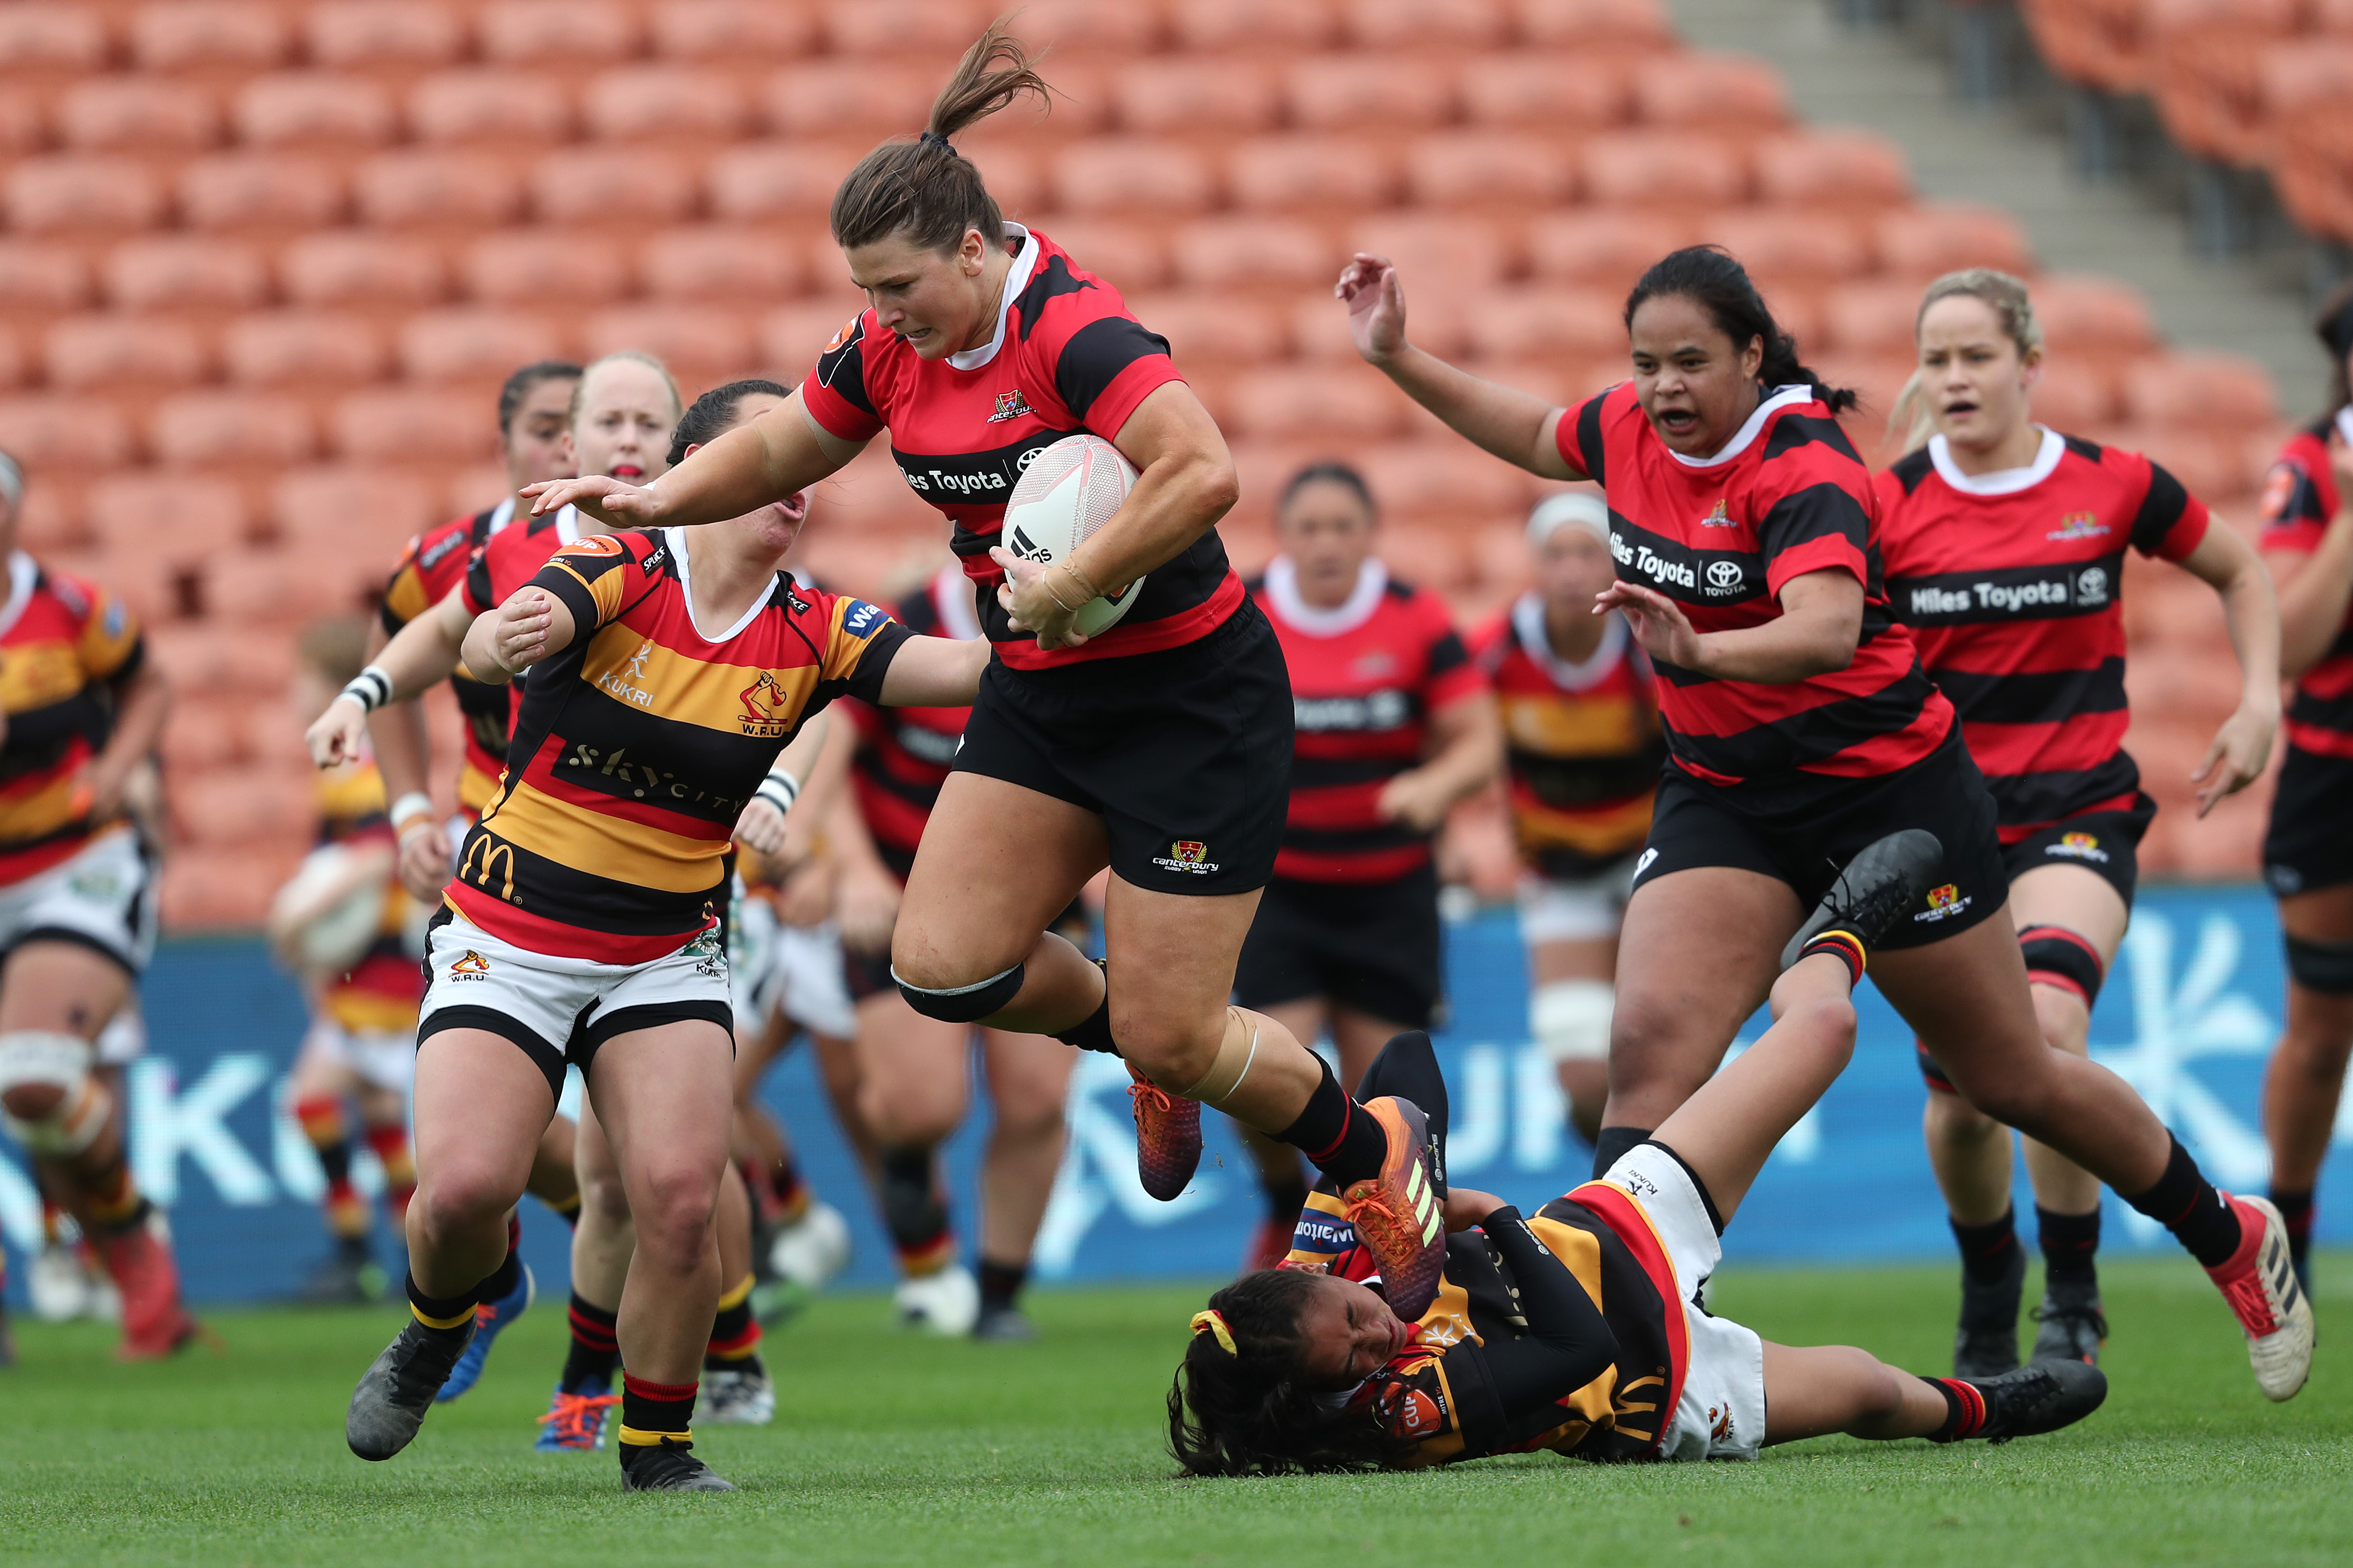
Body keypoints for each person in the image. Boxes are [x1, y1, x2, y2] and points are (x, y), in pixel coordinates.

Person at [523, 24, 1459, 1321]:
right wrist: (652, 500)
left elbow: (1204, 471)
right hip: (1044, 693)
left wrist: (1072, 582)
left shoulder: (1074, 330)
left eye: (899, 283)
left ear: (975, 246)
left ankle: (1372, 1154)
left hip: (1191, 707)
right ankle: (1143, 1046)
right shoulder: (891, 345)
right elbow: (790, 443)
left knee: (1181, 1023)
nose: (882, 311)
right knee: (943, 967)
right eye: (865, 288)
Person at [1334, 241, 2312, 1400]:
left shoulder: (1802, 462)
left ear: (1753, 356)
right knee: (1645, 1050)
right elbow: (1539, 433)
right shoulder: (1626, 431)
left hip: (1886, 798)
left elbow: (1824, 626)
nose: (1661, 387)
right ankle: (1613, 1339)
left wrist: (1696, 647)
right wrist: (1397, 356)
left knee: (2012, 1075)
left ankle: (2226, 1235)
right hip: (1728, 798)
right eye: (1645, 364)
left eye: (1690, 362)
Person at [312, 385, 992, 1492]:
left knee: (681, 1199)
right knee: (461, 1193)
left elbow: (960, 672)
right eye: (760, 451)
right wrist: (496, 634)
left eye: (799, 455)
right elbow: (482, 638)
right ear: (702, 473)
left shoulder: (817, 626)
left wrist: (1064, 606)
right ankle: (438, 1320)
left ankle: (658, 1447)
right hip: (511, 931)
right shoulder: (619, 569)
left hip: (665, 951)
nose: (792, 473)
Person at [1169, 834, 2110, 1472]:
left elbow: (1404, 1065)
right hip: (1654, 1383)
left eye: (1349, 1316)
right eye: (1348, 1360)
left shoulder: (1327, 1251)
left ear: (1309, 1284)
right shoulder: (1402, 1415)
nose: (1374, 1336)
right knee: (1869, 1390)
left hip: (1616, 1227)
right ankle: (1989, 1405)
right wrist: (1490, 1214)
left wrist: (1414, 1184)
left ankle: (1832, 933)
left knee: (1822, 1029)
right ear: (1318, 1397)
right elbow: (1576, 1350)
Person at [1877, 268, 2281, 1375]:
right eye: (1936, 357)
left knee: (2045, 1031)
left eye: (1975, 355)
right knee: (1962, 1103)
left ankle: (2069, 1288)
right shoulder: (1887, 505)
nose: (1954, 377)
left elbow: (2239, 569)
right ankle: (1986, 1280)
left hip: (2074, 811)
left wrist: (2257, 701)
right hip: (1942, 832)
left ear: (2028, 365)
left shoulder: (2109, 485)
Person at [368, 361, 585, 1384]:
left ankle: (721, 1347)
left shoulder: (651, 550)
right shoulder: (453, 560)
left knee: (654, 1136)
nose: (563, 448)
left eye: (578, 428)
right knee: (508, 1120)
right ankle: (499, 1271)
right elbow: (392, 670)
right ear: (505, 440)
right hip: (493, 861)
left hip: (633, 859)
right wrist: (409, 808)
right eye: (545, 429)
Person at [1231, 462, 1499, 1271]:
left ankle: (1367, 1251)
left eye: (1342, 527)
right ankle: (1283, 1199)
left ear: (1369, 533)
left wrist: (1435, 784)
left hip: (1388, 892)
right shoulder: (1243, 609)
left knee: (1385, 1098)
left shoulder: (1414, 618)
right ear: (1284, 535)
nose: (1325, 544)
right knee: (1253, 1077)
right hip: (1274, 888)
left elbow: (1479, 742)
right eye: (1308, 527)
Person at [828, 559, 1082, 1338]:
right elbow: (823, 763)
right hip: (902, 898)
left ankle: (999, 1294)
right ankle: (905, 1165)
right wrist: (855, 872)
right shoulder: (898, 619)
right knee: (924, 1106)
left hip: (1037, 893)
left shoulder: (1087, 623)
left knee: (1038, 1098)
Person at [0, 448, 193, 1360]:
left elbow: (148, 681)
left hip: (69, 865)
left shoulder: (69, 609)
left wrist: (117, 777)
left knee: (35, 1075)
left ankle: (127, 1246)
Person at [1472, 491, 1664, 1149]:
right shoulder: (1495, 655)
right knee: (1585, 1083)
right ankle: (1624, 1199)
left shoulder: (1652, 647)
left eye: (1588, 552)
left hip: (1654, 867)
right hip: (1558, 874)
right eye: (1556, 554)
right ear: (1533, 564)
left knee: (1661, 1061)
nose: (1572, 569)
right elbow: (1458, 747)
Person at [270, 618, 427, 1304]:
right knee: (380, 1108)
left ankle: (356, 1250)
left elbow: (372, 855)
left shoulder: (354, 769)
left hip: (381, 972)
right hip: (373, 969)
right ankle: (405, 1258)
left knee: (311, 1098)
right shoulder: (344, 768)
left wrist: (296, 919)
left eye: (301, 680)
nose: (291, 693)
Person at [2256, 282, 2353, 1293]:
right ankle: (2286, 1221)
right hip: (2334, 773)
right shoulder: (2311, 467)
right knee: (2321, 1030)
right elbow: (2287, 644)